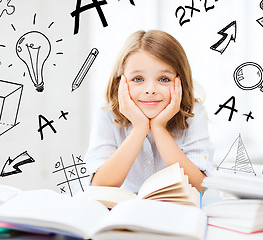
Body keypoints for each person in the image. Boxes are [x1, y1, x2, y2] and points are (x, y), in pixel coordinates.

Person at [85, 30, 213, 193]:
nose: (150, 90)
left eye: (164, 79)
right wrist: (140, 128)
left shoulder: (194, 113)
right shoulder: (107, 114)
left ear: (180, 81)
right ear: (121, 83)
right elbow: (99, 185)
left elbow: (199, 185)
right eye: (138, 79)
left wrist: (159, 128)